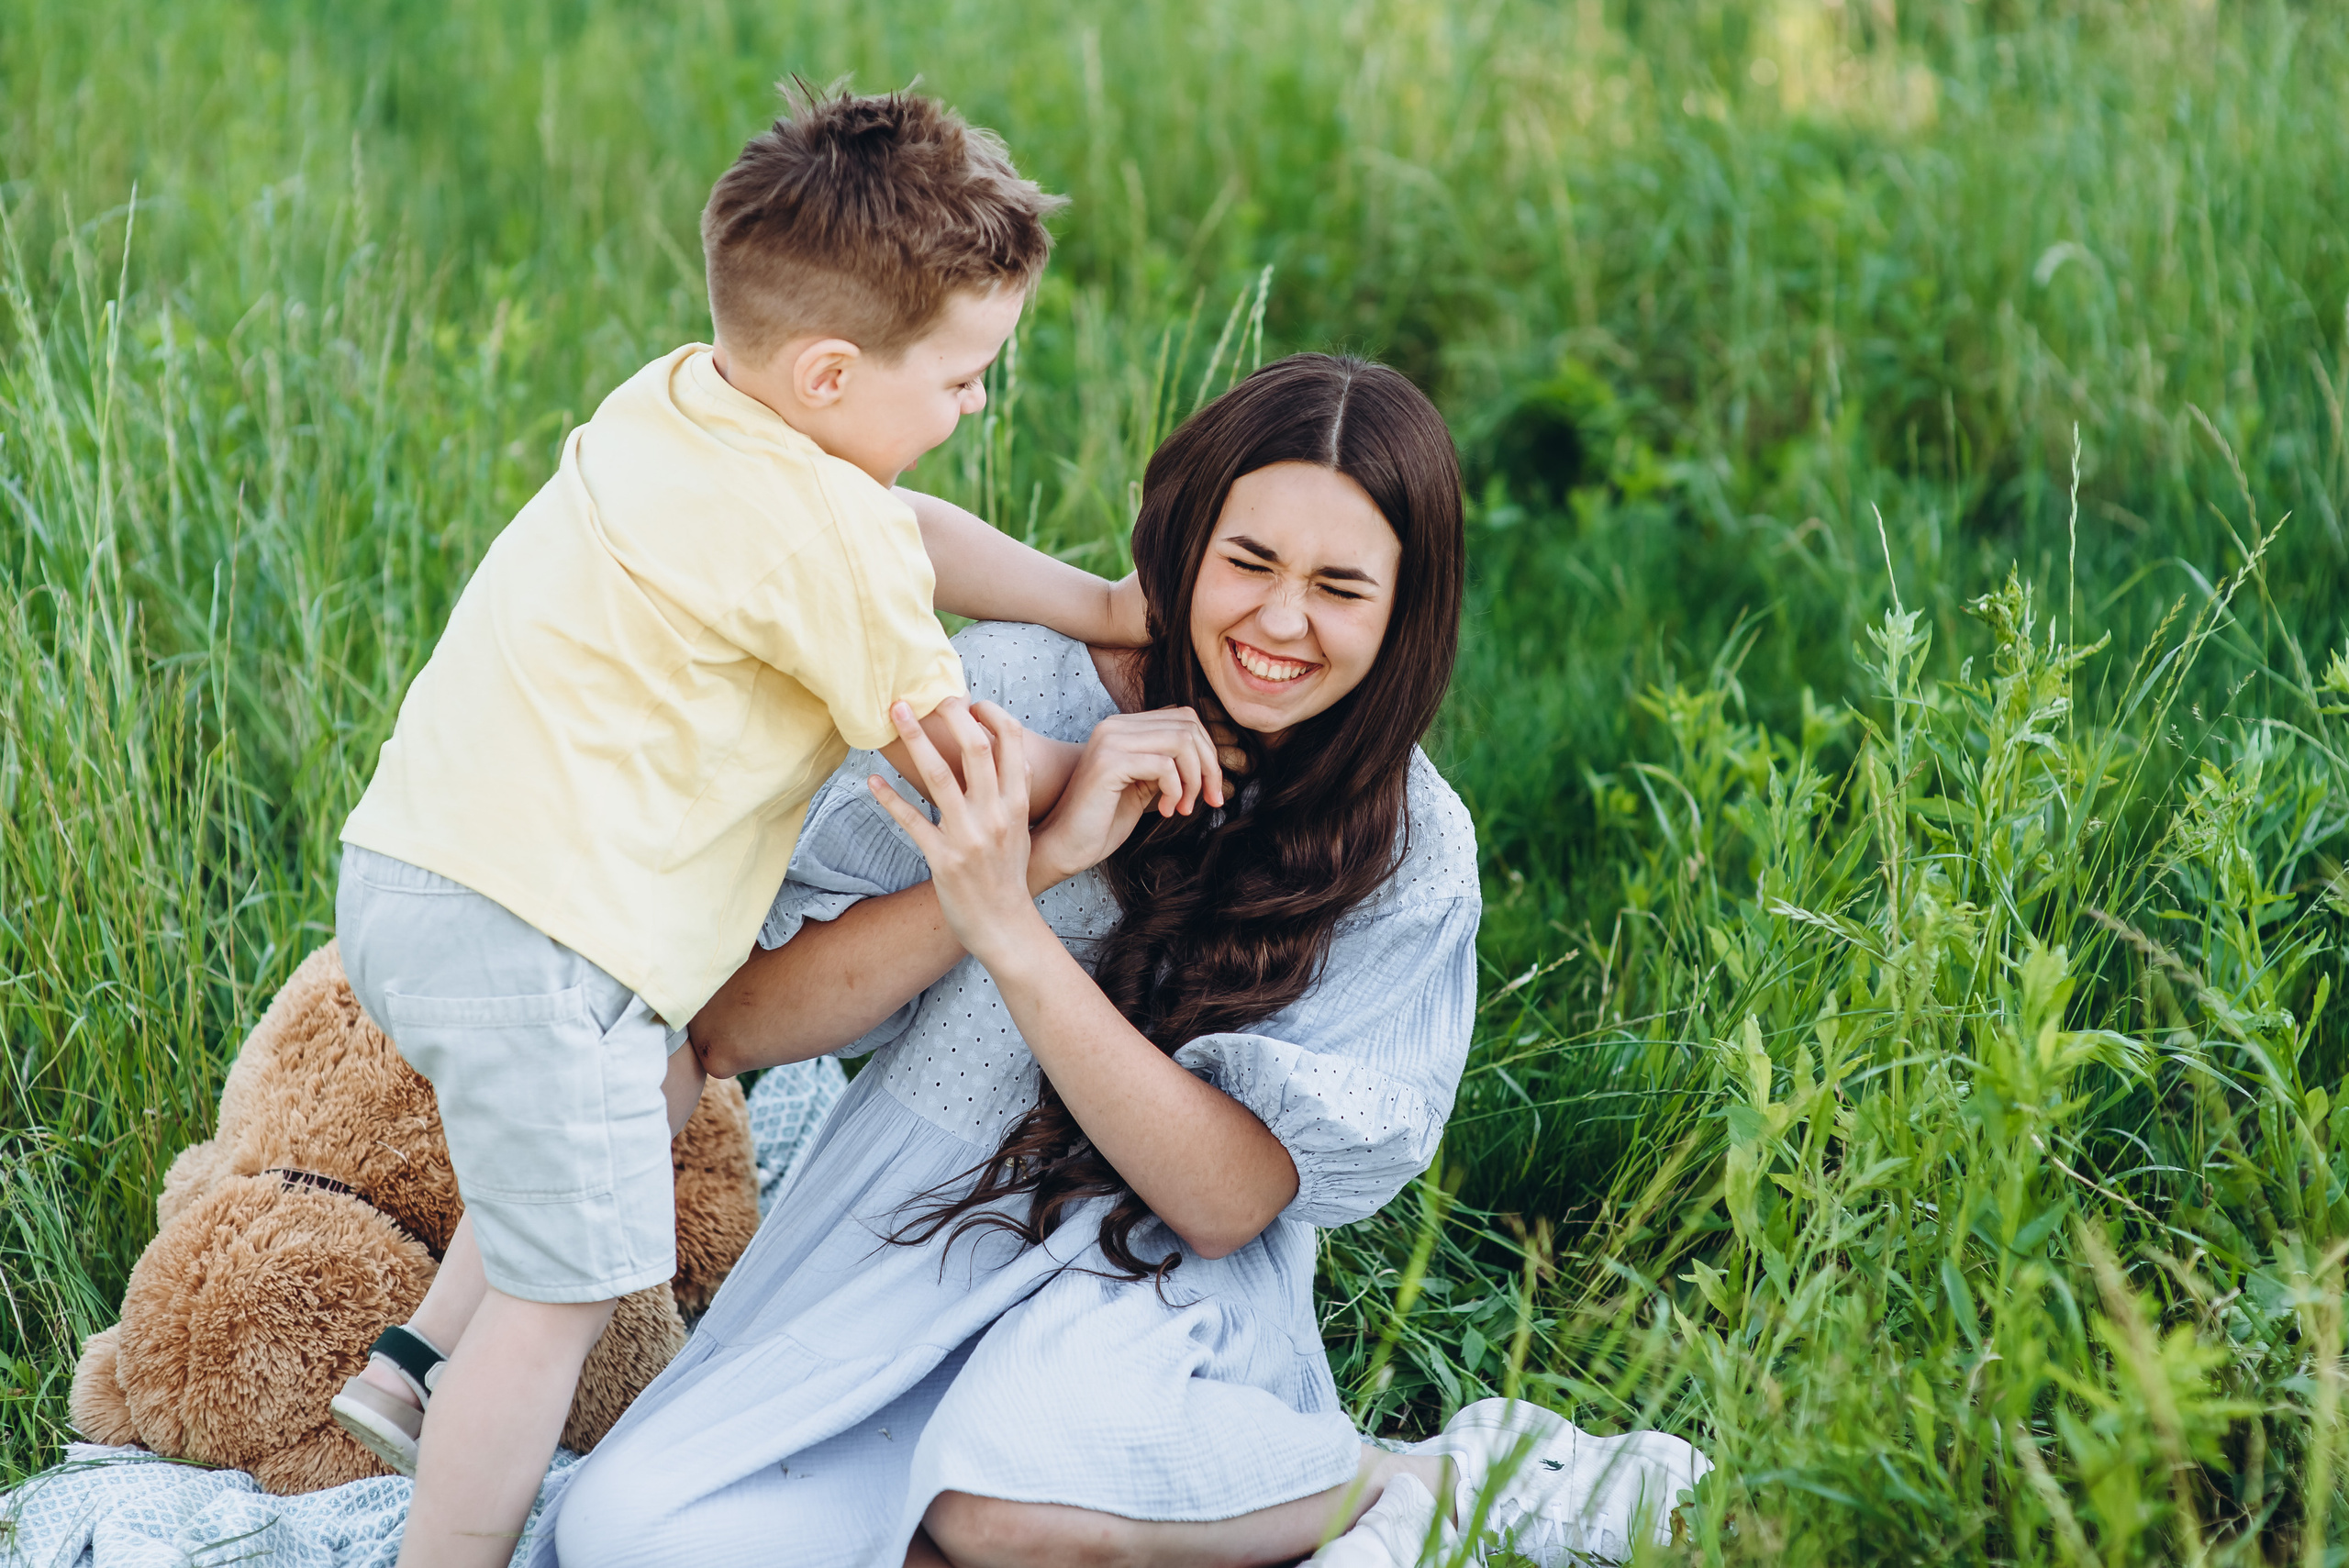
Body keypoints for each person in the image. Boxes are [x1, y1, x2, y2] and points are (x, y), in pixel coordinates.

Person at [537, 354, 1709, 1568]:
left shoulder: (1409, 845)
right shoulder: (1005, 684)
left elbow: (1221, 1200)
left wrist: (1014, 932)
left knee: (1003, 1500)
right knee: (625, 1532)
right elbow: (735, 1026)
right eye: (1248, 563)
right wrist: (1034, 856)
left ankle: (1434, 1481)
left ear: (1408, 605)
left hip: (1145, 1282)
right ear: (1186, 540)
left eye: (1339, 587)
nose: (1280, 622)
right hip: (905, 1227)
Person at [327, 86, 1216, 1568]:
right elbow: (970, 772)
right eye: (962, 378)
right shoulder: (826, 538)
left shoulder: (680, 400)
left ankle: (411, 1358)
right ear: (826, 375)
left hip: (418, 874)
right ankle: (449, 1539)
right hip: (542, 940)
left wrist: (1101, 606)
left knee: (644, 1086)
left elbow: (895, 533)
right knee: (559, 1314)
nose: (976, 405)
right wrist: (1108, 756)